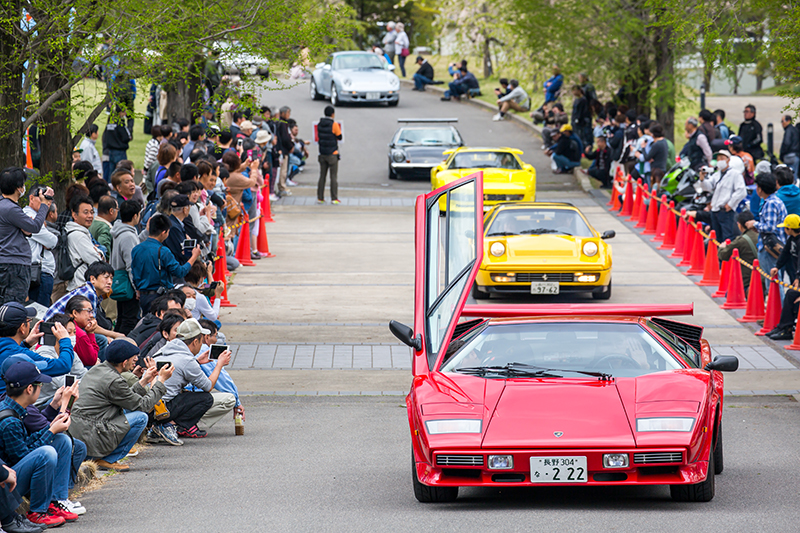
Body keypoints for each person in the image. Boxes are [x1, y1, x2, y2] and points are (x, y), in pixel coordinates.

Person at [70, 339, 173, 470]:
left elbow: (126, 398)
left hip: (83, 429)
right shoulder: (114, 380)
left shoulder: (97, 370)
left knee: (132, 412)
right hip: (93, 434)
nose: (135, 360)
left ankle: (102, 456)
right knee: (141, 417)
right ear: (124, 362)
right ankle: (108, 459)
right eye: (133, 358)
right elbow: (143, 406)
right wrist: (161, 381)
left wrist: (144, 381)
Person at [0, 361, 79, 527]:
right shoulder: (9, 421)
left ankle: (55, 502)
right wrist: (50, 431)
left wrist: (52, 428)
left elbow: (26, 445)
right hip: (6, 483)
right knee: (47, 453)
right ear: (29, 389)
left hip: (11, 473)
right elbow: (25, 457)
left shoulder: (15, 406)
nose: (41, 388)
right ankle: (37, 511)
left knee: (61, 440)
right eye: (39, 384)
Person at [154, 319, 234, 439]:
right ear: (195, 341)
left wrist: (197, 362)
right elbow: (208, 386)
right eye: (202, 341)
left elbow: (178, 367)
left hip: (152, 406)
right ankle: (173, 424)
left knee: (187, 394)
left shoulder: (165, 349)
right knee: (205, 399)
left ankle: (167, 424)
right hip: (163, 410)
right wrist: (219, 365)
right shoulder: (187, 360)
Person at [0, 168, 53, 305]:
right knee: (14, 305)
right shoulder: (10, 208)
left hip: (7, 263)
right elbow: (35, 227)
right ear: (19, 188)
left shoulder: (5, 205)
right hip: (13, 265)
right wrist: (44, 205)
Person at [131, 214, 200, 314]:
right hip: (159, 297)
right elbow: (180, 272)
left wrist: (138, 289)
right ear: (163, 232)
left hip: (143, 297)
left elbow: (134, 271)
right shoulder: (163, 251)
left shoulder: (136, 249)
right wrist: (194, 256)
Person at [0, 302, 73, 392]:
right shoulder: (22, 355)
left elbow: (7, 351)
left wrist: (26, 344)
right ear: (22, 328)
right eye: (28, 321)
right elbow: (63, 366)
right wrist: (65, 339)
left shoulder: (14, 351)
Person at [697, 150, 747, 243]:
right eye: (718, 158)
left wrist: (730, 204)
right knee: (716, 237)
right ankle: (716, 257)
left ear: (728, 160)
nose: (720, 160)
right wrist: (702, 179)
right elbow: (708, 187)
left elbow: (741, 191)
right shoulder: (717, 174)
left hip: (725, 211)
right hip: (715, 210)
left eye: (722, 158)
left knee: (726, 237)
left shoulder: (735, 174)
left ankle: (724, 257)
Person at [745, 173, 787, 281]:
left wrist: (754, 224)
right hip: (777, 245)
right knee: (776, 280)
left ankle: (776, 299)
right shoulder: (776, 200)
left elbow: (770, 227)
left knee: (772, 281)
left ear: (760, 189)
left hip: (770, 247)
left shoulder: (770, 203)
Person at [24, 188, 58, 307]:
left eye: (48, 199)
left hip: (40, 272)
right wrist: (48, 237)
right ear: (31, 198)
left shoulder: (37, 217)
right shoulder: (28, 215)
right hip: (37, 273)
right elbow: (52, 241)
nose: (46, 202)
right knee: (38, 314)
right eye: (42, 198)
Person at [65, 196, 104, 293]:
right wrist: (99, 253)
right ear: (74, 215)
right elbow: (95, 260)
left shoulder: (79, 232)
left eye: (91, 212)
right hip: (81, 285)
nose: (90, 216)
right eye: (85, 212)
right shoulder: (78, 236)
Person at [718, 212, 759, 293]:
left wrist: (721, 248)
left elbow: (723, 256)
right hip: (762, 279)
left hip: (746, 282)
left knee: (729, 295)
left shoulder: (740, 241)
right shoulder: (761, 235)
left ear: (739, 225)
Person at [317, 106, 342, 205]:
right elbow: (339, 136)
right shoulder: (334, 124)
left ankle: (320, 197)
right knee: (333, 177)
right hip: (332, 154)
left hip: (322, 153)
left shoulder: (319, 124)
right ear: (333, 114)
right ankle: (334, 198)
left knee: (322, 176)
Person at [102, 107, 131, 180]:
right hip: (120, 151)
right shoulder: (120, 123)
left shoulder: (110, 122)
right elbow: (126, 136)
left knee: (111, 173)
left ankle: (110, 188)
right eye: (124, 112)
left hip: (111, 151)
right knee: (122, 173)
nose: (125, 114)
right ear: (120, 112)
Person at [88, 195, 117, 260]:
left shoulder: (92, 222)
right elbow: (105, 251)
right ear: (111, 211)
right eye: (117, 209)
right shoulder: (105, 228)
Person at [780, 114, 800, 181]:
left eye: (782, 121)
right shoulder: (795, 130)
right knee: (795, 175)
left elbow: (787, 143)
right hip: (796, 155)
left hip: (790, 155)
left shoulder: (788, 130)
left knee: (789, 176)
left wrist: (782, 154)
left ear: (788, 121)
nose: (782, 123)